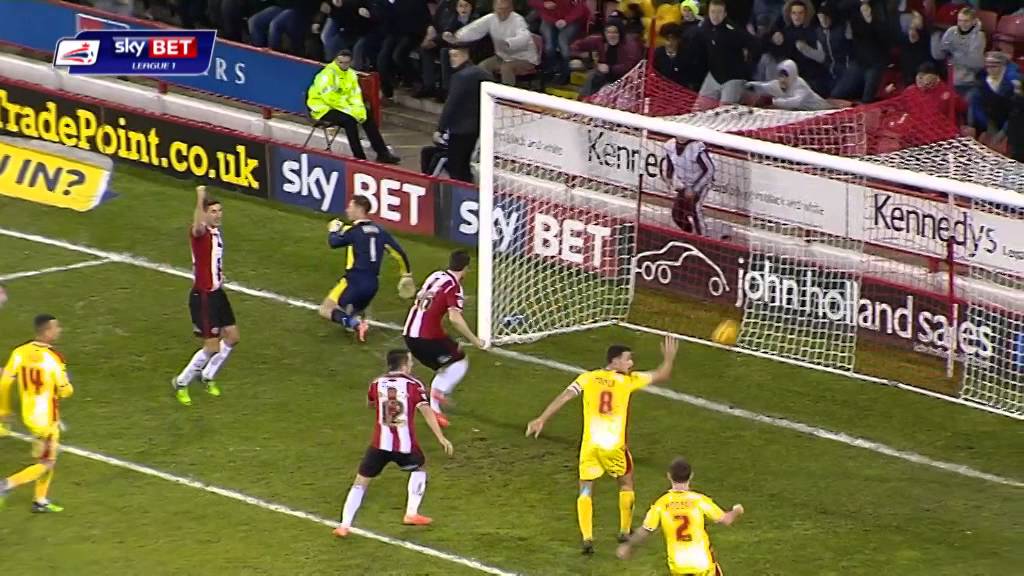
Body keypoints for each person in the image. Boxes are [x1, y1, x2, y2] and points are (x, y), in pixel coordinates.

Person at [525, 336, 678, 555]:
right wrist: (669, 358)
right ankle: (624, 531)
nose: (631, 363)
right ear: (615, 361)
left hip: (590, 445)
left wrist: (542, 418)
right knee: (626, 483)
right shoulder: (628, 380)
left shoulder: (587, 378)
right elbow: (662, 374)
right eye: (627, 359)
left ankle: (587, 538)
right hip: (613, 446)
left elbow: (565, 396)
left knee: (586, 489)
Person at [332, 349, 454, 536]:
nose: (412, 365)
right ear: (404, 365)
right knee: (419, 469)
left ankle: (344, 525)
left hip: (379, 445)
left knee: (361, 481)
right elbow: (427, 411)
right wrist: (440, 437)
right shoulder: (413, 385)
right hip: (405, 447)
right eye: (410, 362)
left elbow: (370, 404)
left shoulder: (376, 383)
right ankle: (411, 513)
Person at [616, 457, 746, 576]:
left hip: (678, 565)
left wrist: (628, 545)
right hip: (702, 563)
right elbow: (726, 520)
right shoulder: (699, 500)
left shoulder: (661, 503)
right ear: (691, 476)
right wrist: (736, 511)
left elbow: (646, 530)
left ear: (669, 476)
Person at [171, 186, 239, 407]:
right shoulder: (199, 233)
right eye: (213, 211)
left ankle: (207, 375)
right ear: (205, 214)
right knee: (211, 347)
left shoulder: (215, 233)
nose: (218, 215)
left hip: (217, 293)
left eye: (220, 211)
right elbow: (198, 225)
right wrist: (200, 196)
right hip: (204, 297)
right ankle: (181, 382)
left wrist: (219, 275)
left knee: (232, 337)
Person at [402, 249, 484, 428]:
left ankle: (436, 405)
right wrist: (475, 340)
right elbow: (455, 319)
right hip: (426, 339)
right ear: (466, 268)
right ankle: (437, 395)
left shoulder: (435, 276)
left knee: (447, 361)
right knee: (459, 361)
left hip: (409, 335)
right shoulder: (454, 287)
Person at [0, 314, 73, 513]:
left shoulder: (19, 352)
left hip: (29, 415)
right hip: (47, 419)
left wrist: (3, 409)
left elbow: (5, 382)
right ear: (47, 331)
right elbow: (66, 391)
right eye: (56, 327)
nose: (59, 330)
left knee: (46, 456)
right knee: (47, 462)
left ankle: (40, 501)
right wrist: (66, 384)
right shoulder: (54, 358)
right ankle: (6, 485)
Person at [320, 196, 415, 342]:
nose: (347, 210)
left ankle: (357, 325)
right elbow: (399, 253)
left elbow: (334, 242)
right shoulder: (380, 232)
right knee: (350, 312)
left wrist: (333, 230)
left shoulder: (354, 231)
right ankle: (355, 321)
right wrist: (406, 274)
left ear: (359, 209)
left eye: (350, 207)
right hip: (372, 284)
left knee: (326, 309)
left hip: (354, 281)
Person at [307, 50, 401, 164]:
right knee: (349, 121)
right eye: (340, 62)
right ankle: (359, 157)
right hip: (323, 108)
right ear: (335, 60)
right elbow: (330, 98)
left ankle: (382, 153)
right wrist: (350, 110)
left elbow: (355, 95)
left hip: (344, 107)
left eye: (346, 63)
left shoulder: (351, 75)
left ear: (350, 62)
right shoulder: (326, 75)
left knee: (366, 115)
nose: (343, 65)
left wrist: (358, 111)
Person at [436, 46, 493, 182]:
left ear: (465, 56)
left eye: (455, 56)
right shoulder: (483, 72)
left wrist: (440, 128)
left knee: (457, 165)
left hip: (461, 127)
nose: (452, 59)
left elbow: (452, 103)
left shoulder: (461, 76)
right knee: (464, 163)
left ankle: (461, 191)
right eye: (450, 56)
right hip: (478, 124)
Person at [454, 0, 540, 86]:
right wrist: (457, 37)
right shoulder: (490, 18)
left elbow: (525, 37)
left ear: (511, 9)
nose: (502, 12)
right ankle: (489, 90)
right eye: (500, 9)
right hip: (502, 57)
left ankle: (506, 93)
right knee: (482, 67)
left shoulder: (518, 20)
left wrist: (509, 43)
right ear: (494, 8)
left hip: (524, 58)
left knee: (506, 68)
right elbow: (474, 29)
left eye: (506, 9)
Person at [695, 0, 759, 106]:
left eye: (719, 12)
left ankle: (745, 94)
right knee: (698, 109)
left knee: (725, 111)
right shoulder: (704, 27)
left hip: (733, 77)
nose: (715, 16)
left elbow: (755, 44)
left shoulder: (733, 30)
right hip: (714, 75)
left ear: (725, 14)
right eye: (713, 12)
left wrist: (748, 62)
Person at [757, 0, 824, 94]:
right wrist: (772, 39)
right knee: (767, 58)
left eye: (800, 13)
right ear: (789, 15)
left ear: (806, 14)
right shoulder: (785, 31)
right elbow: (764, 46)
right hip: (785, 72)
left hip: (806, 74)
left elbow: (821, 58)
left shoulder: (814, 32)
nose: (797, 16)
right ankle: (762, 93)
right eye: (794, 13)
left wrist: (805, 49)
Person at [374, 0, 431, 99]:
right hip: (395, 33)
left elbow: (424, 19)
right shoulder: (392, 3)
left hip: (413, 33)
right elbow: (388, 19)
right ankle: (387, 90)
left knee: (399, 55)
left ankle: (417, 82)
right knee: (382, 58)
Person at [572, 19, 644, 96]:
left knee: (605, 89)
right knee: (592, 75)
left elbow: (630, 66)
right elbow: (576, 46)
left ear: (620, 33)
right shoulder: (599, 40)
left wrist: (610, 68)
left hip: (624, 79)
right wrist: (582, 55)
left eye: (615, 32)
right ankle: (584, 98)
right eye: (608, 32)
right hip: (604, 75)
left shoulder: (630, 46)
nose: (611, 35)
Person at [664, 137, 715, 236]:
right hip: (685, 184)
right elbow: (670, 165)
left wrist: (695, 189)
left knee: (695, 208)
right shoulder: (670, 145)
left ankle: (702, 238)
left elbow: (710, 170)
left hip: (701, 183)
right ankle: (689, 234)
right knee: (677, 214)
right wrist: (669, 178)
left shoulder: (696, 148)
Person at [531, 0, 590, 85]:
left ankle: (565, 73)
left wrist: (566, 20)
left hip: (571, 19)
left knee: (562, 41)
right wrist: (543, 4)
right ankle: (551, 70)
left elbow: (581, 8)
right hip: (549, 18)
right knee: (549, 46)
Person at [933, 6, 986, 97]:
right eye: (960, 21)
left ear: (973, 21)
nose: (962, 24)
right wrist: (935, 39)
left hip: (968, 81)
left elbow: (976, 63)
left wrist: (954, 52)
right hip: (949, 76)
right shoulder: (951, 31)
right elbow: (939, 55)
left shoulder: (979, 36)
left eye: (966, 21)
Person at [746, 59, 833, 111]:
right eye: (780, 76)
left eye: (786, 76)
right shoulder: (777, 84)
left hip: (821, 110)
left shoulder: (800, 85)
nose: (782, 80)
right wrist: (750, 85)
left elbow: (795, 102)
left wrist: (774, 102)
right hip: (803, 112)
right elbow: (764, 86)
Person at [969, 51, 1019, 139]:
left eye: (994, 66)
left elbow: (1016, 111)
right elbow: (976, 106)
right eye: (988, 66)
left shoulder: (1013, 81)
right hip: (991, 124)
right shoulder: (981, 82)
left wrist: (1003, 132)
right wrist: (988, 126)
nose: (990, 69)